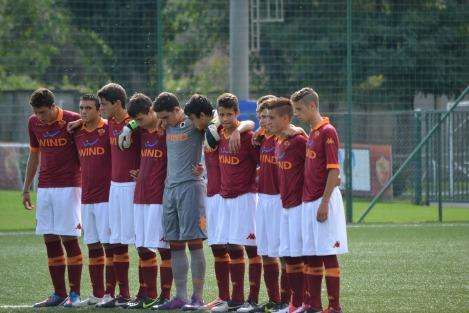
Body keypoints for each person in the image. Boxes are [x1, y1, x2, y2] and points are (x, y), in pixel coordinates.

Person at [23, 88, 83, 307]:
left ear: (52, 106)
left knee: (69, 238)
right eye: (36, 113)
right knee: (49, 239)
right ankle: (58, 293)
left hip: (70, 186)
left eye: (42, 112)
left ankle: (74, 294)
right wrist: (26, 187)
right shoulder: (33, 123)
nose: (39, 117)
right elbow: (34, 154)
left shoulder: (73, 120)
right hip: (45, 188)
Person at [291, 88, 348, 313]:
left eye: (299, 109)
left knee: (327, 252)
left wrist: (324, 202)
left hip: (323, 200)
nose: (297, 113)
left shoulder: (327, 131)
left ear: (312, 106)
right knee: (312, 253)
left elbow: (334, 171)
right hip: (309, 201)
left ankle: (335, 306)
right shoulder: (312, 132)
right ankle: (313, 305)